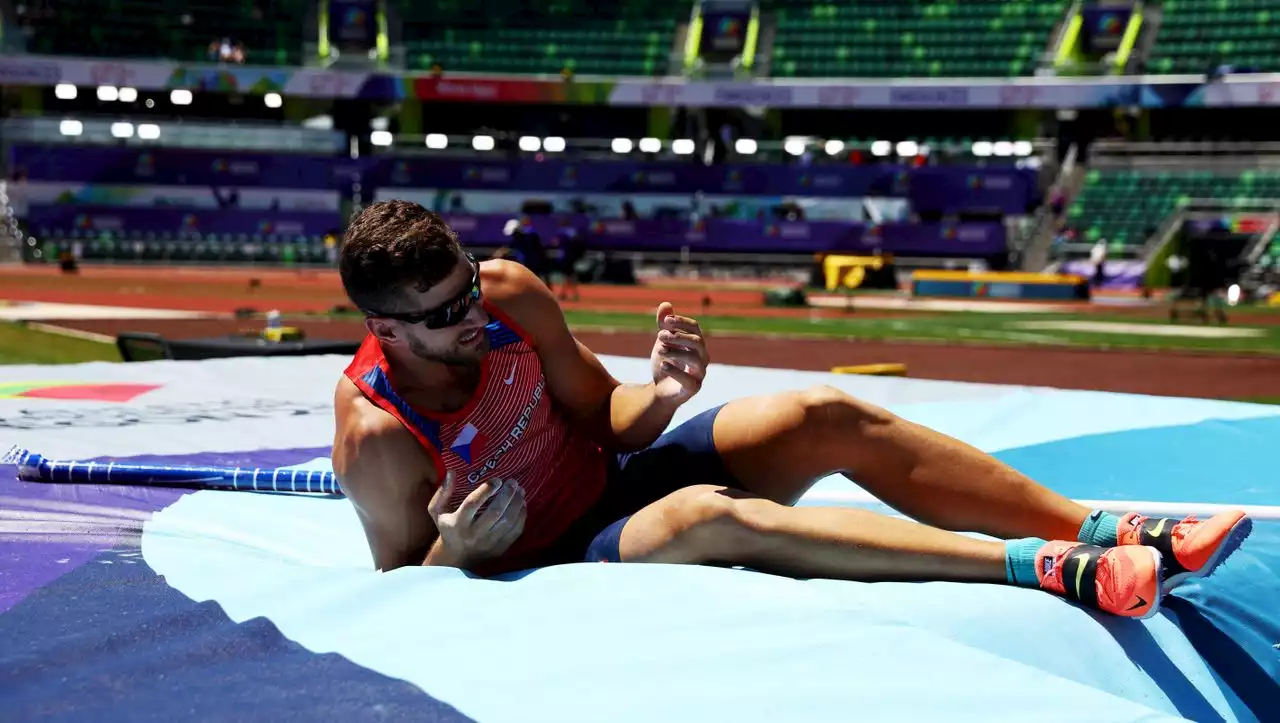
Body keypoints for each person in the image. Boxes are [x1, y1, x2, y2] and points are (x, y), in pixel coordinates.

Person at [332, 201, 1250, 619]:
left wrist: (663, 395)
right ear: (385, 327)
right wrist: (465, 547)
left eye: (469, 288)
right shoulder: (376, 435)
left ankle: (1102, 523)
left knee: (821, 410)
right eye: (446, 313)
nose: (473, 315)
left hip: (611, 481)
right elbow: (403, 580)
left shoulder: (507, 294)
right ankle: (1049, 565)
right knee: (711, 514)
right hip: (553, 555)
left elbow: (607, 420)